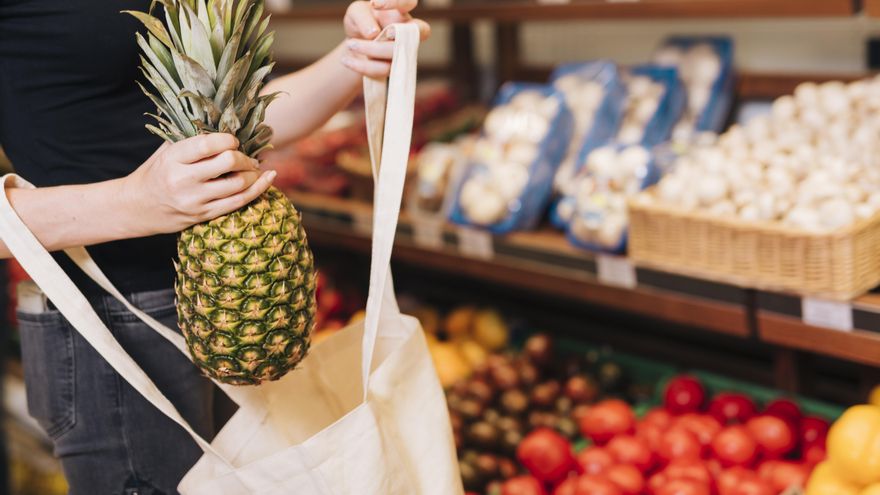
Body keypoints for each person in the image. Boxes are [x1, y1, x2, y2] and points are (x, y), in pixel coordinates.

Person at [0, 1, 429, 493]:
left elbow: (232, 127)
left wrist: (357, 56)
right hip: (107, 325)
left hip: (238, 294)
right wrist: (136, 202)